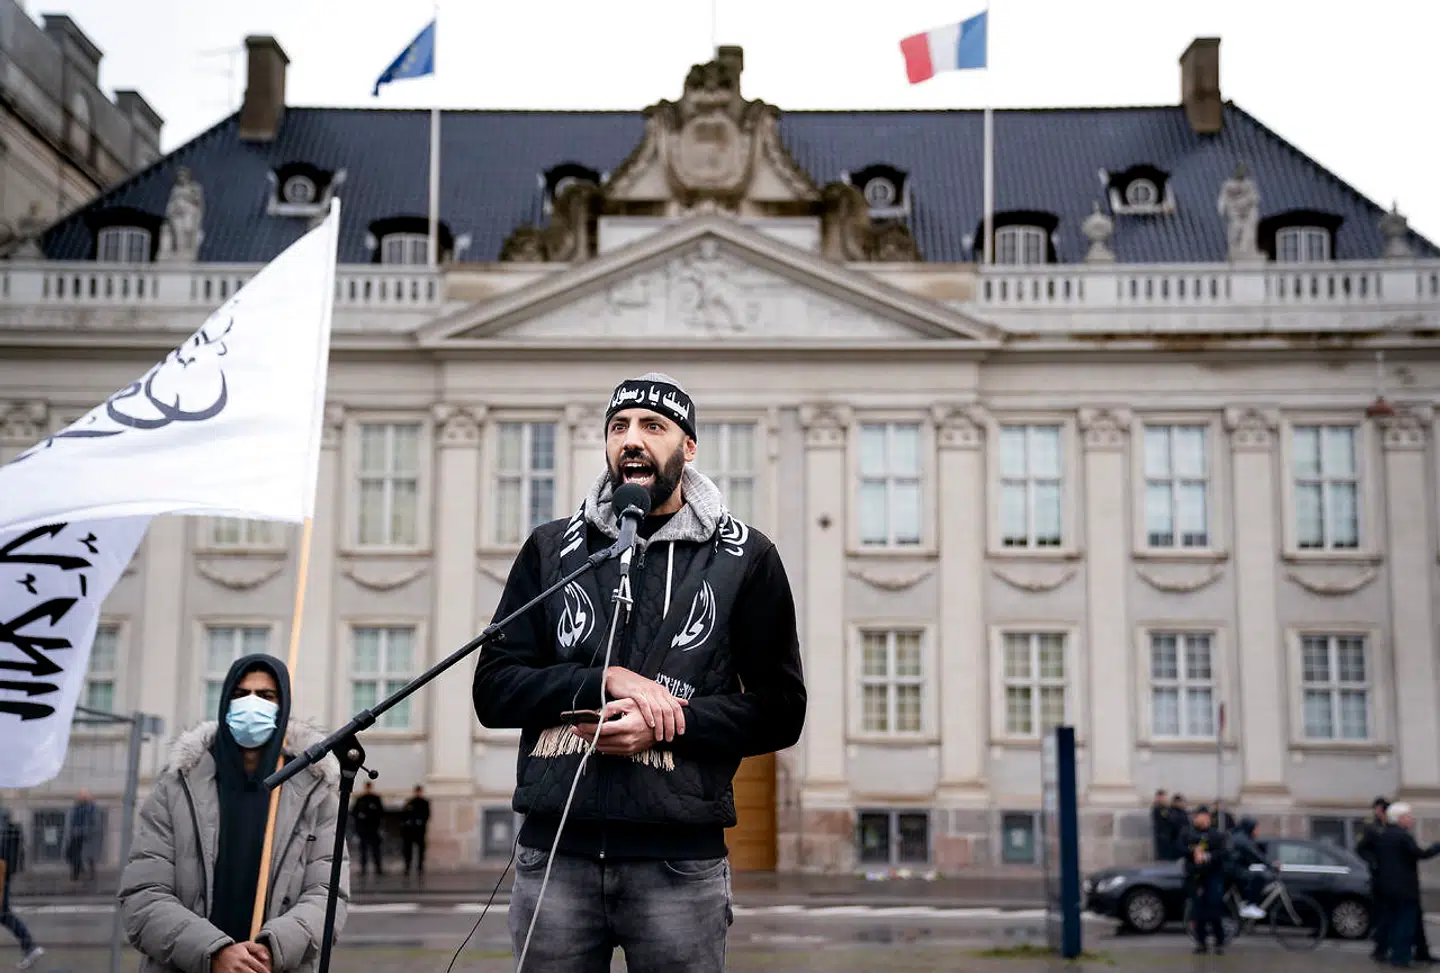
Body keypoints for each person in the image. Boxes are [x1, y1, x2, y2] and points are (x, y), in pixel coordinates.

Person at [473, 372, 808, 973]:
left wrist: (667, 724)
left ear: (689, 447)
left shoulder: (747, 558)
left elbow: (781, 709)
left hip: (678, 868)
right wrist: (603, 680)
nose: (633, 440)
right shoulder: (553, 549)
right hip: (554, 860)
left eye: (654, 427)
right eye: (619, 427)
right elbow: (493, 690)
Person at [119, 654, 350, 973]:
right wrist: (214, 953)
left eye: (266, 696)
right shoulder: (176, 787)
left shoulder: (315, 794)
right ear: (225, 703)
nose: (251, 703)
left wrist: (271, 951)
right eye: (240, 694)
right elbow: (143, 896)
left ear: (281, 708)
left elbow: (326, 896)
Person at [1363, 802, 1440, 967]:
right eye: (1408, 816)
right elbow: (1420, 854)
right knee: (1405, 924)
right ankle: (1400, 958)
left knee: (1397, 921)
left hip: (1387, 887)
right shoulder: (1403, 836)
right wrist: (1436, 847)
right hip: (1405, 888)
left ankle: (1415, 953)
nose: (1411, 819)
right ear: (1399, 819)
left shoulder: (1384, 834)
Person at [1, 804, 43, 969]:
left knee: (3, 913)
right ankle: (30, 947)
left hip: (1, 872)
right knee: (4, 914)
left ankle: (30, 947)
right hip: (4, 873)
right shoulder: (4, 815)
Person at [1183, 806, 1230, 955]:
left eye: (1201, 816)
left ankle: (1219, 941)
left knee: (1214, 908)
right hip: (1196, 877)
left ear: (1207, 818)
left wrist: (1207, 856)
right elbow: (1180, 848)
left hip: (1212, 876)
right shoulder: (1188, 833)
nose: (1198, 819)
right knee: (1198, 911)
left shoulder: (1216, 835)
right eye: (1196, 816)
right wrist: (1193, 852)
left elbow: (1222, 853)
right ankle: (1201, 942)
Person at [1360, 796, 1393, 962]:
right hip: (1379, 877)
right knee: (1382, 914)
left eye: (1380, 809)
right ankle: (1380, 948)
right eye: (1377, 809)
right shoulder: (1372, 827)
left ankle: (1386, 946)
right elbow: (1361, 848)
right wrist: (1373, 863)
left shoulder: (1391, 826)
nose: (1378, 812)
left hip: (1392, 877)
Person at [1228, 817, 1270, 919]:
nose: (1257, 831)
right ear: (1249, 827)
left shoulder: (1242, 836)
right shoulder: (1242, 839)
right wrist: (1270, 865)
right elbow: (1255, 854)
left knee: (1255, 875)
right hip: (1232, 869)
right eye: (1256, 828)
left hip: (1235, 867)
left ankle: (1245, 902)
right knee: (1259, 877)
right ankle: (1248, 905)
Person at [65, 788, 101, 884]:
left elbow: (94, 822)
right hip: (76, 835)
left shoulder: (91, 808)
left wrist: (86, 830)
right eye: (80, 795)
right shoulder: (76, 807)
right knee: (72, 854)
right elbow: (71, 820)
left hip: (86, 835)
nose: (81, 797)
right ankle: (80, 872)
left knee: (87, 856)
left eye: (84, 795)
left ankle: (81, 874)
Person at [351, 783, 386, 877]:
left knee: (376, 849)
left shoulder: (375, 799)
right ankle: (363, 868)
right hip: (363, 829)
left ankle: (378, 867)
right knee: (363, 849)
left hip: (374, 828)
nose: (368, 789)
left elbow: (381, 812)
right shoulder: (360, 799)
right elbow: (354, 812)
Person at [401, 785, 430, 877]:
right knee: (408, 849)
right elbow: (404, 814)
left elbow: (427, 815)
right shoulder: (410, 802)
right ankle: (407, 866)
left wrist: (420, 822)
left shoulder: (424, 803)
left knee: (421, 849)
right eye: (417, 791)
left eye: (419, 791)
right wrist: (407, 822)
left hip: (420, 830)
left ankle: (420, 867)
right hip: (409, 831)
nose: (418, 793)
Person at [1150, 789, 1173, 860]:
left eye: (1163, 797)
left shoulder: (1166, 807)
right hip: (1160, 832)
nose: (1162, 799)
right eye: (1161, 797)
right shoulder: (1157, 808)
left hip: (1167, 832)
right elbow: (1165, 817)